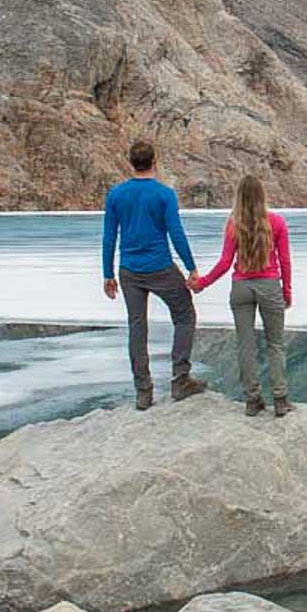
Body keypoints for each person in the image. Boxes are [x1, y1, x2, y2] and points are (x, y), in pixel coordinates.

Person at [102, 139, 207, 410]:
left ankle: (143, 391)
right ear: (154, 161)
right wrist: (191, 267)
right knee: (184, 314)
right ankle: (180, 378)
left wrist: (107, 273)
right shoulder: (164, 194)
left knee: (137, 326)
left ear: (131, 162)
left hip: (129, 270)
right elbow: (176, 233)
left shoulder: (116, 195)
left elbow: (109, 236)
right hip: (160, 266)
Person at [193, 175, 293, 417]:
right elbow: (285, 260)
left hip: (241, 288)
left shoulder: (233, 223)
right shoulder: (276, 222)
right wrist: (287, 290)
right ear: (262, 195)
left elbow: (225, 262)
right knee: (275, 344)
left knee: (245, 345)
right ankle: (280, 400)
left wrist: (203, 283)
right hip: (269, 286)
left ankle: (252, 399)